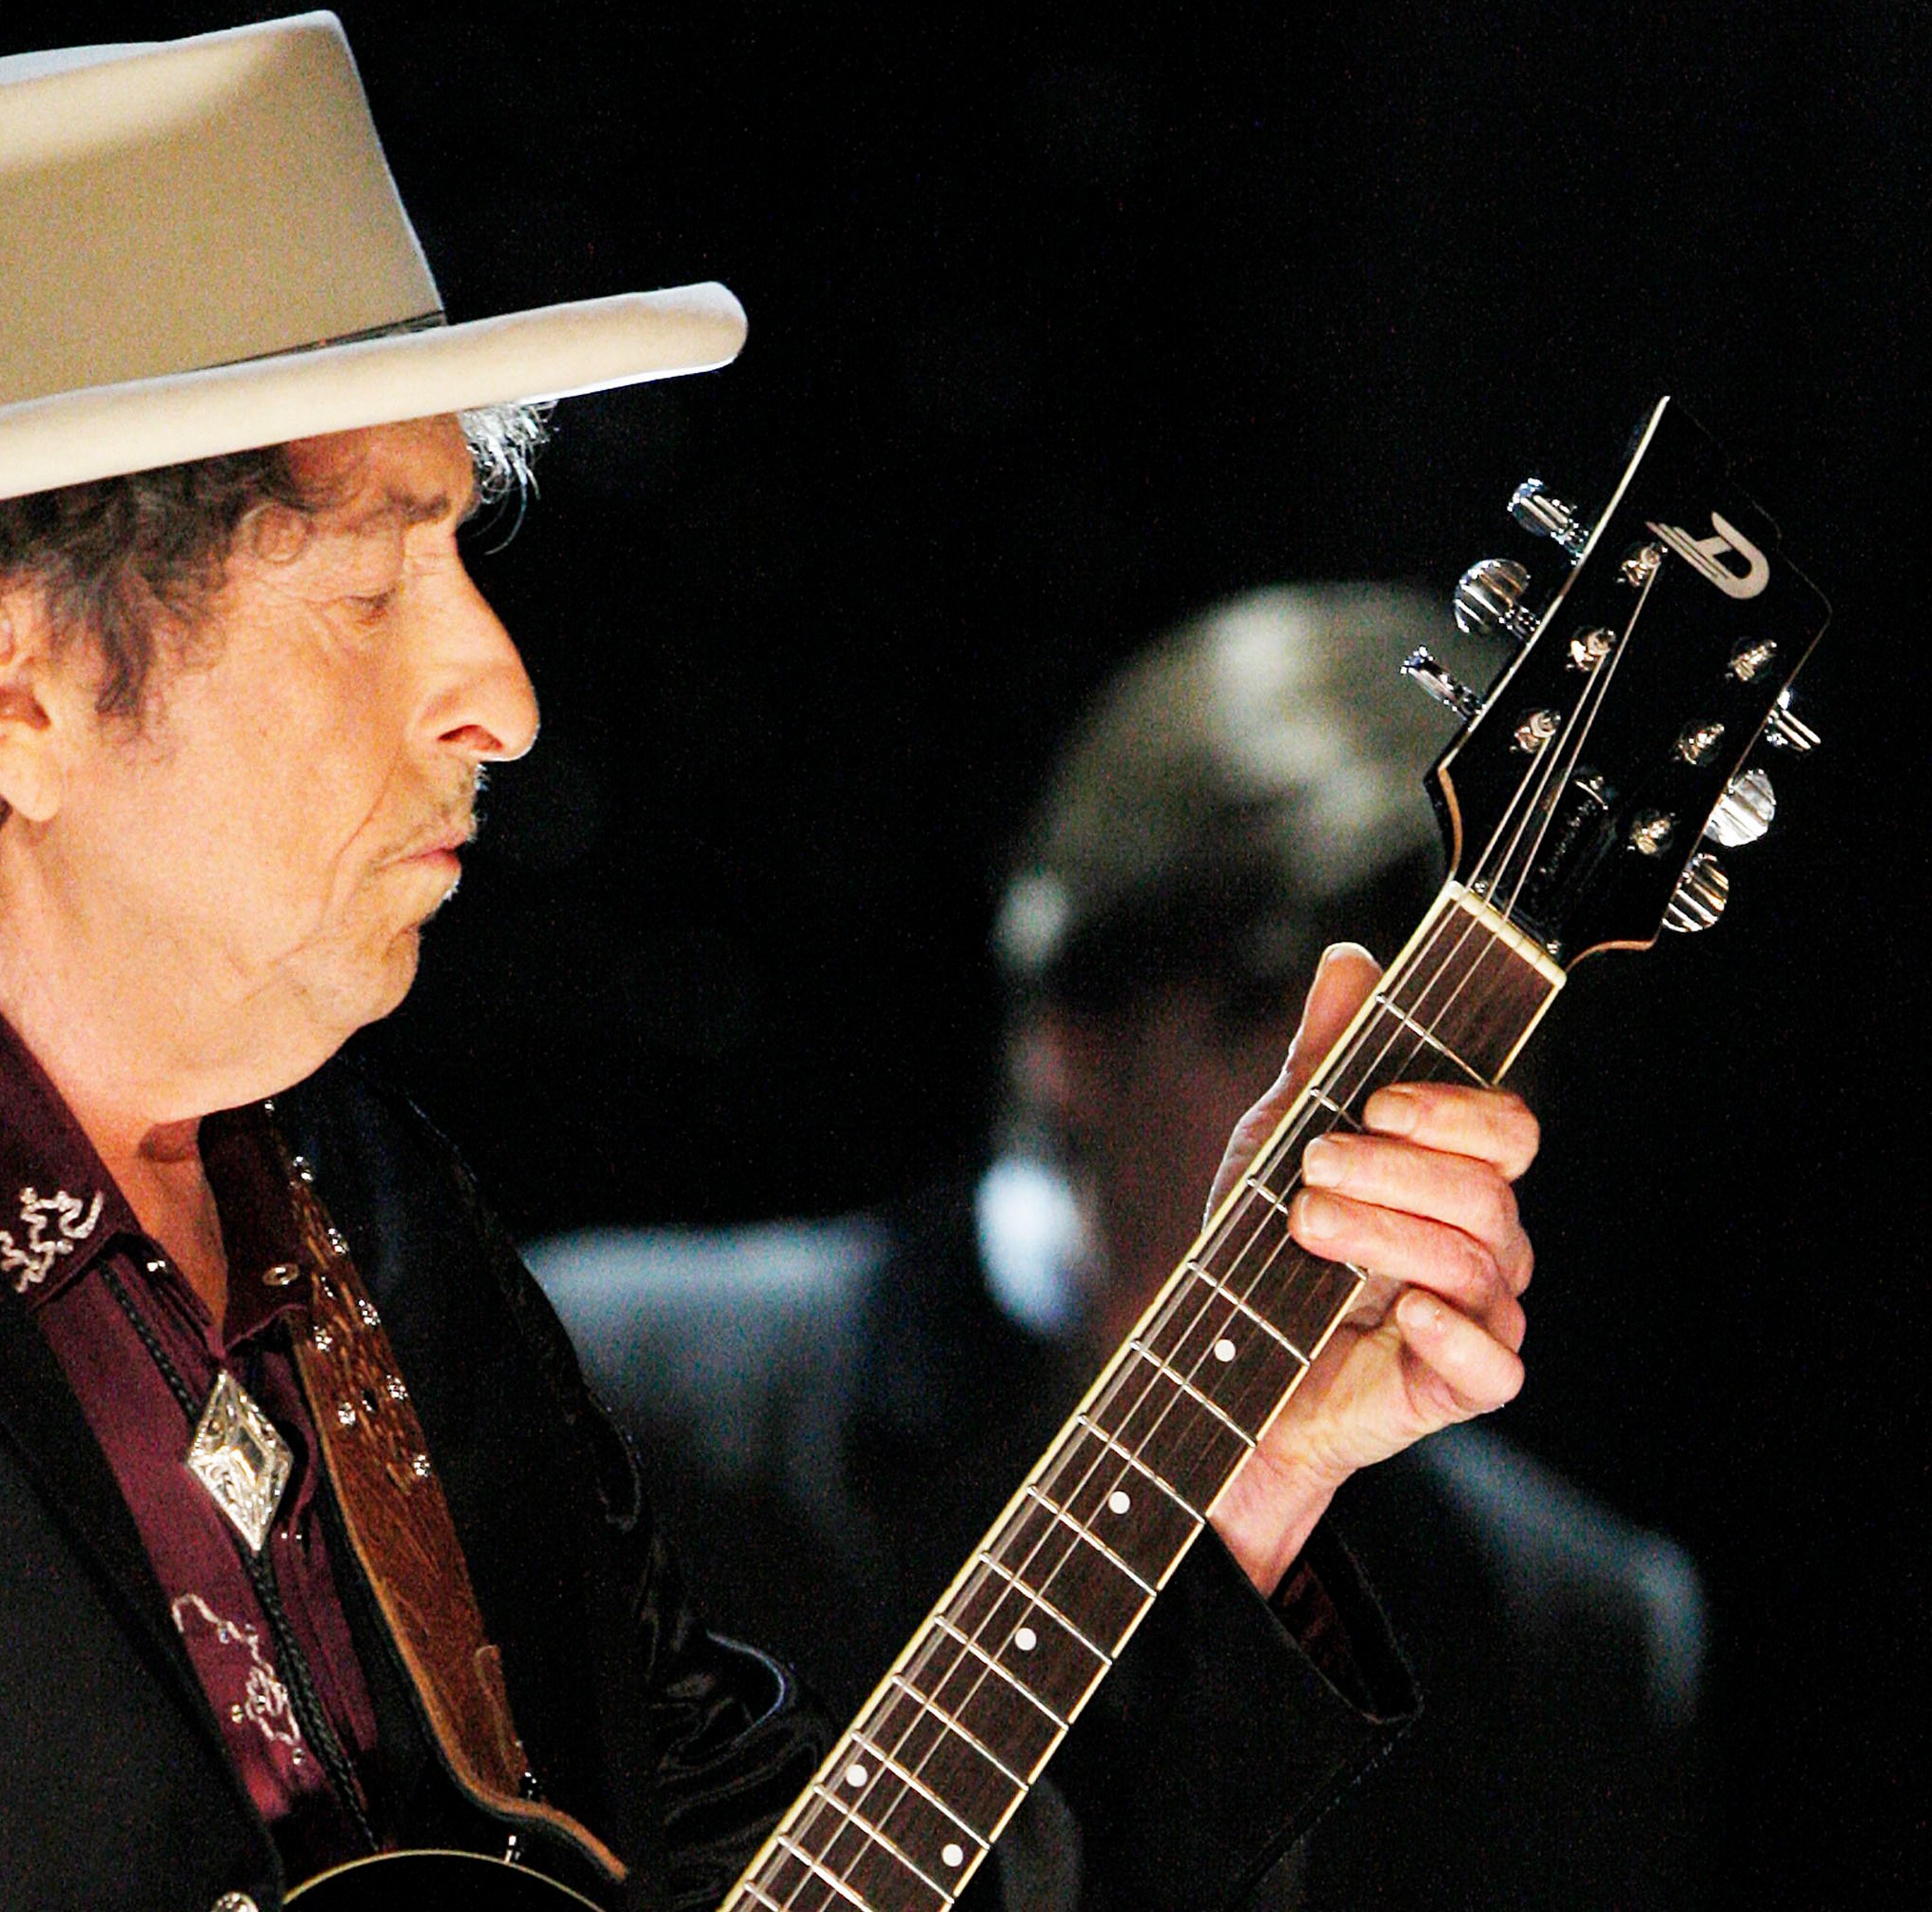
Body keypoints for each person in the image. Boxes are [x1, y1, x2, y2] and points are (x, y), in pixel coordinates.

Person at [0, 21, 1542, 1911]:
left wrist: (1237, 1476)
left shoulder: (381, 1219)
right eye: (370, 584)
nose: (501, 690)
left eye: (474, 548)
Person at [535, 583, 1707, 1908]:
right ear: (1071, 1030)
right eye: (1282, 1028)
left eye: (1467, 1072)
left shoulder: (1574, 1630)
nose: (1385, 1135)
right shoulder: (608, 1396)